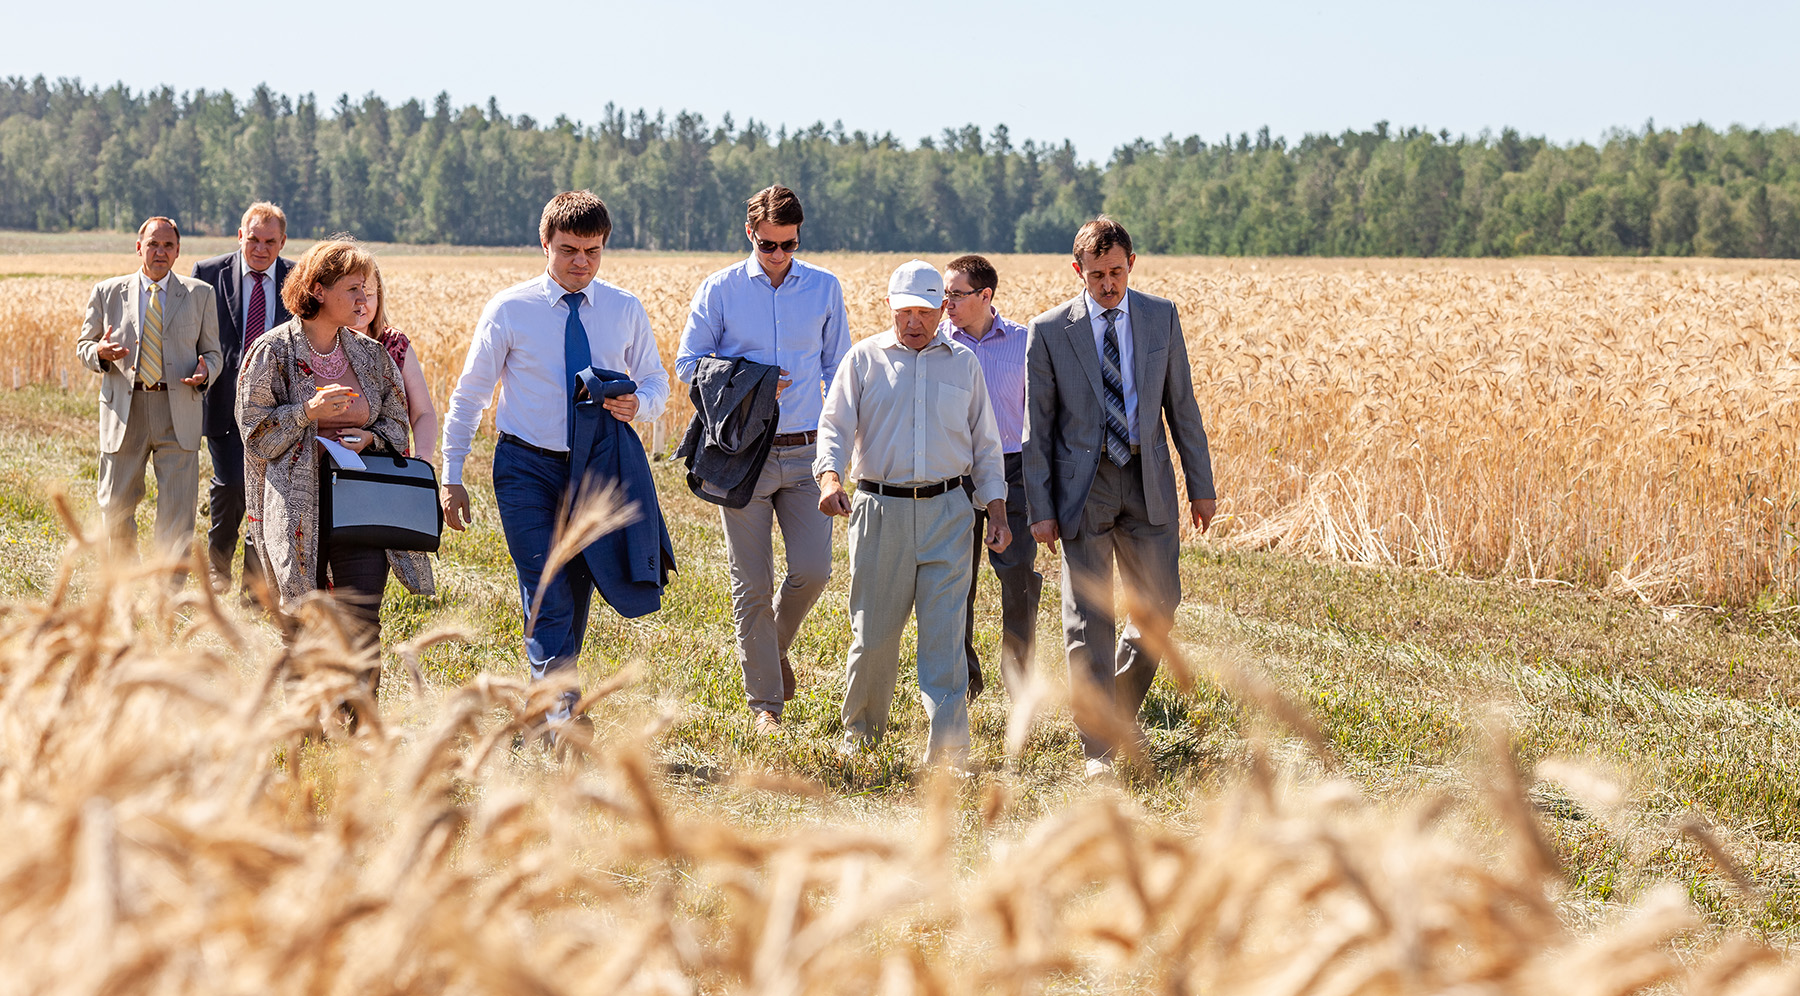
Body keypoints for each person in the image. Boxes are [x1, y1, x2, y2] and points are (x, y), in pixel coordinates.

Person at [441, 191, 671, 724]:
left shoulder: (624, 309)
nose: (581, 262)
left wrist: (641, 402)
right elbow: (470, 395)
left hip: (598, 468)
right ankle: (564, 712)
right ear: (544, 243)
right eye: (568, 249)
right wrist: (451, 474)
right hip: (525, 466)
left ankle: (545, 705)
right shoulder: (509, 309)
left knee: (575, 585)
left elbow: (657, 381)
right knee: (545, 582)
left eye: (593, 251)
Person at [1022, 218, 1217, 777]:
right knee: (1089, 616)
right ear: (1077, 270)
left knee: (1160, 605)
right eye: (1096, 275)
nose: (1108, 284)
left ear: (1132, 263)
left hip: (1148, 479)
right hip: (1082, 488)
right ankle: (1098, 748)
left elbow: (1183, 407)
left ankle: (1114, 710)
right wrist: (1041, 509)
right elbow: (1037, 428)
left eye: (1116, 272)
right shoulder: (1051, 330)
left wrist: (1200, 487)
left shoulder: (1161, 317)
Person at [816, 259, 1009, 767]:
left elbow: (986, 445)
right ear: (890, 308)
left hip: (950, 511)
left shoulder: (964, 364)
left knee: (945, 638)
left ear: (942, 308)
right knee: (874, 636)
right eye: (905, 312)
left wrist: (998, 508)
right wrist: (830, 477)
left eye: (924, 312)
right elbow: (834, 427)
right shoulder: (863, 360)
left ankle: (947, 753)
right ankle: (861, 740)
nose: (914, 322)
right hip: (880, 511)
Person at [674, 185, 851, 734]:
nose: (780, 255)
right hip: (738, 455)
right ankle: (765, 705)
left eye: (790, 244)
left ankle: (768, 650)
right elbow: (686, 364)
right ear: (751, 234)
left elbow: (840, 371)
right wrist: (750, 384)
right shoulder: (720, 289)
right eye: (770, 244)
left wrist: (841, 453)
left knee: (813, 571)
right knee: (750, 582)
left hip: (805, 453)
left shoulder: (824, 288)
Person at [237, 238, 434, 659]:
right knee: (303, 628)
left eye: (367, 288)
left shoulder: (370, 354)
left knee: (362, 624)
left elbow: (398, 422)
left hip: (361, 505)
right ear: (318, 290)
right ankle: (311, 723)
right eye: (353, 289)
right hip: (296, 509)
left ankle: (360, 722)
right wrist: (306, 412)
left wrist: (372, 438)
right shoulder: (273, 350)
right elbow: (253, 434)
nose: (365, 299)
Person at [75, 217, 221, 562]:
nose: (160, 252)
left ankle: (166, 596)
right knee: (115, 504)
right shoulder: (108, 291)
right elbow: (84, 345)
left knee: (177, 511)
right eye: (153, 244)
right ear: (139, 247)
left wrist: (206, 371)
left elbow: (214, 353)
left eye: (168, 246)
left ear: (178, 251)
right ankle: (125, 585)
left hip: (178, 410)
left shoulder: (200, 294)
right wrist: (98, 352)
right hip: (125, 410)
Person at [940, 254, 1040, 701]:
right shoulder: (937, 345)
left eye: (956, 294)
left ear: (986, 296)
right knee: (956, 579)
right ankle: (965, 679)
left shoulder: (1024, 342)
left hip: (1013, 468)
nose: (946, 303)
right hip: (955, 473)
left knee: (1016, 572)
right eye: (944, 294)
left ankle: (1019, 678)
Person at [192, 202, 295, 593]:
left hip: (278, 406)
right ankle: (219, 565)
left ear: (282, 242)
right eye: (253, 238)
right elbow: (196, 332)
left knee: (268, 494)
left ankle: (255, 588)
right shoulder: (208, 273)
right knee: (233, 483)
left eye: (270, 241)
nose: (260, 248)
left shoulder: (296, 278)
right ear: (240, 236)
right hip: (222, 399)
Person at [352, 261, 438, 461]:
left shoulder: (394, 343)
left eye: (369, 294)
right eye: (353, 293)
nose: (361, 303)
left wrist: (422, 461)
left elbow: (423, 413)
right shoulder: (322, 345)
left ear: (379, 296)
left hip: (391, 468)